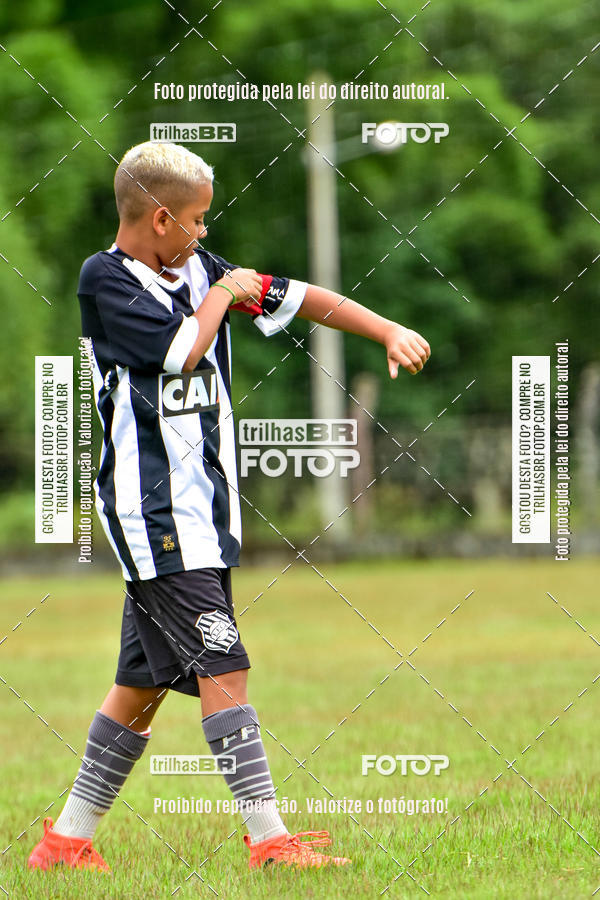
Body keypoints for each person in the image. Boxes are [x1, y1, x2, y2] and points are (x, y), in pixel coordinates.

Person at [28, 141, 430, 873]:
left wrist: (385, 330)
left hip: (203, 517)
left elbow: (299, 295)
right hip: (155, 516)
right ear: (157, 218)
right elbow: (182, 352)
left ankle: (63, 844)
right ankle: (270, 842)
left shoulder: (199, 270)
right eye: (197, 219)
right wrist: (222, 292)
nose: (206, 234)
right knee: (226, 668)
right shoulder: (104, 283)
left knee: (141, 687)